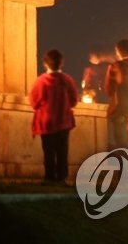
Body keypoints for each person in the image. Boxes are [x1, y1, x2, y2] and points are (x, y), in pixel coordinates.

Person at [29, 48, 79, 184]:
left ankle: (49, 176)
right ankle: (61, 177)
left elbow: (34, 102)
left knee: (48, 151)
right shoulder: (67, 80)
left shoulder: (40, 82)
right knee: (62, 151)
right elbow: (74, 100)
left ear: (45, 63)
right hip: (64, 121)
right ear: (61, 63)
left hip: (46, 122)